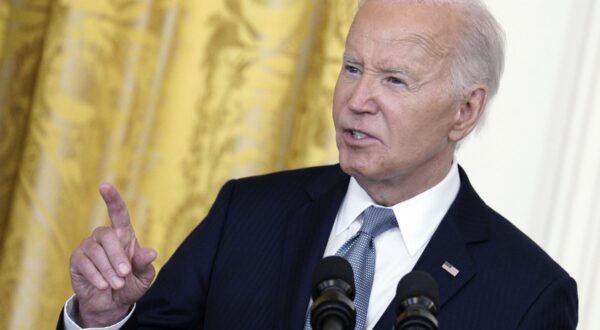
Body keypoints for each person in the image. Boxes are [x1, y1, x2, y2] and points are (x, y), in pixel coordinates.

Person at [58, 0, 579, 329]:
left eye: (394, 80)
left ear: (465, 111)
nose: (356, 99)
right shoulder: (248, 212)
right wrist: (104, 318)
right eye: (352, 68)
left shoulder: (531, 294)